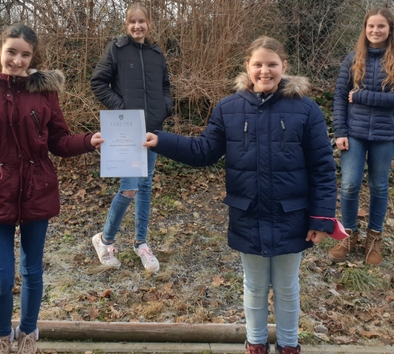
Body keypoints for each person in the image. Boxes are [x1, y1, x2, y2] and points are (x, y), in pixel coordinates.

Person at [144, 37, 337, 354]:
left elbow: (322, 168)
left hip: (294, 216)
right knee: (255, 286)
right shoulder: (228, 108)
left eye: (272, 64)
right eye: (258, 64)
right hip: (248, 214)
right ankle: (256, 344)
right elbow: (203, 151)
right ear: (247, 67)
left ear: (284, 67)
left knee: (287, 287)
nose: (265, 71)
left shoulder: (306, 109)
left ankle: (289, 345)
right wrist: (160, 140)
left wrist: (321, 217)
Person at [0, 24, 103, 354]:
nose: (17, 60)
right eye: (11, 52)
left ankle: (27, 334)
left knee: (32, 270)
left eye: (25, 54)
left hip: (37, 188)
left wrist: (88, 141)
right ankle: (0, 335)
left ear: (32, 56)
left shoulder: (44, 91)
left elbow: (57, 140)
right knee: (1, 278)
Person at [90, 3, 172, 273]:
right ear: (126, 24)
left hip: (152, 130)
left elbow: (165, 86)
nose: (137, 26)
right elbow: (98, 83)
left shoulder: (156, 53)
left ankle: (141, 243)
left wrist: (165, 108)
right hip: (126, 130)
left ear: (149, 23)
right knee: (130, 186)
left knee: (145, 186)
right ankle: (105, 240)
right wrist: (122, 109)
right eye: (132, 22)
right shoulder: (117, 49)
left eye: (142, 21)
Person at [329, 8, 394, 266]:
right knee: (350, 185)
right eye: (371, 26)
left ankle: (374, 239)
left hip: (384, 135)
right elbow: (341, 98)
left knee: (379, 186)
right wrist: (340, 132)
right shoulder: (353, 59)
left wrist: (362, 95)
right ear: (365, 29)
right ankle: (348, 236)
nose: (375, 31)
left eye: (381, 26)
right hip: (353, 134)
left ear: (390, 30)